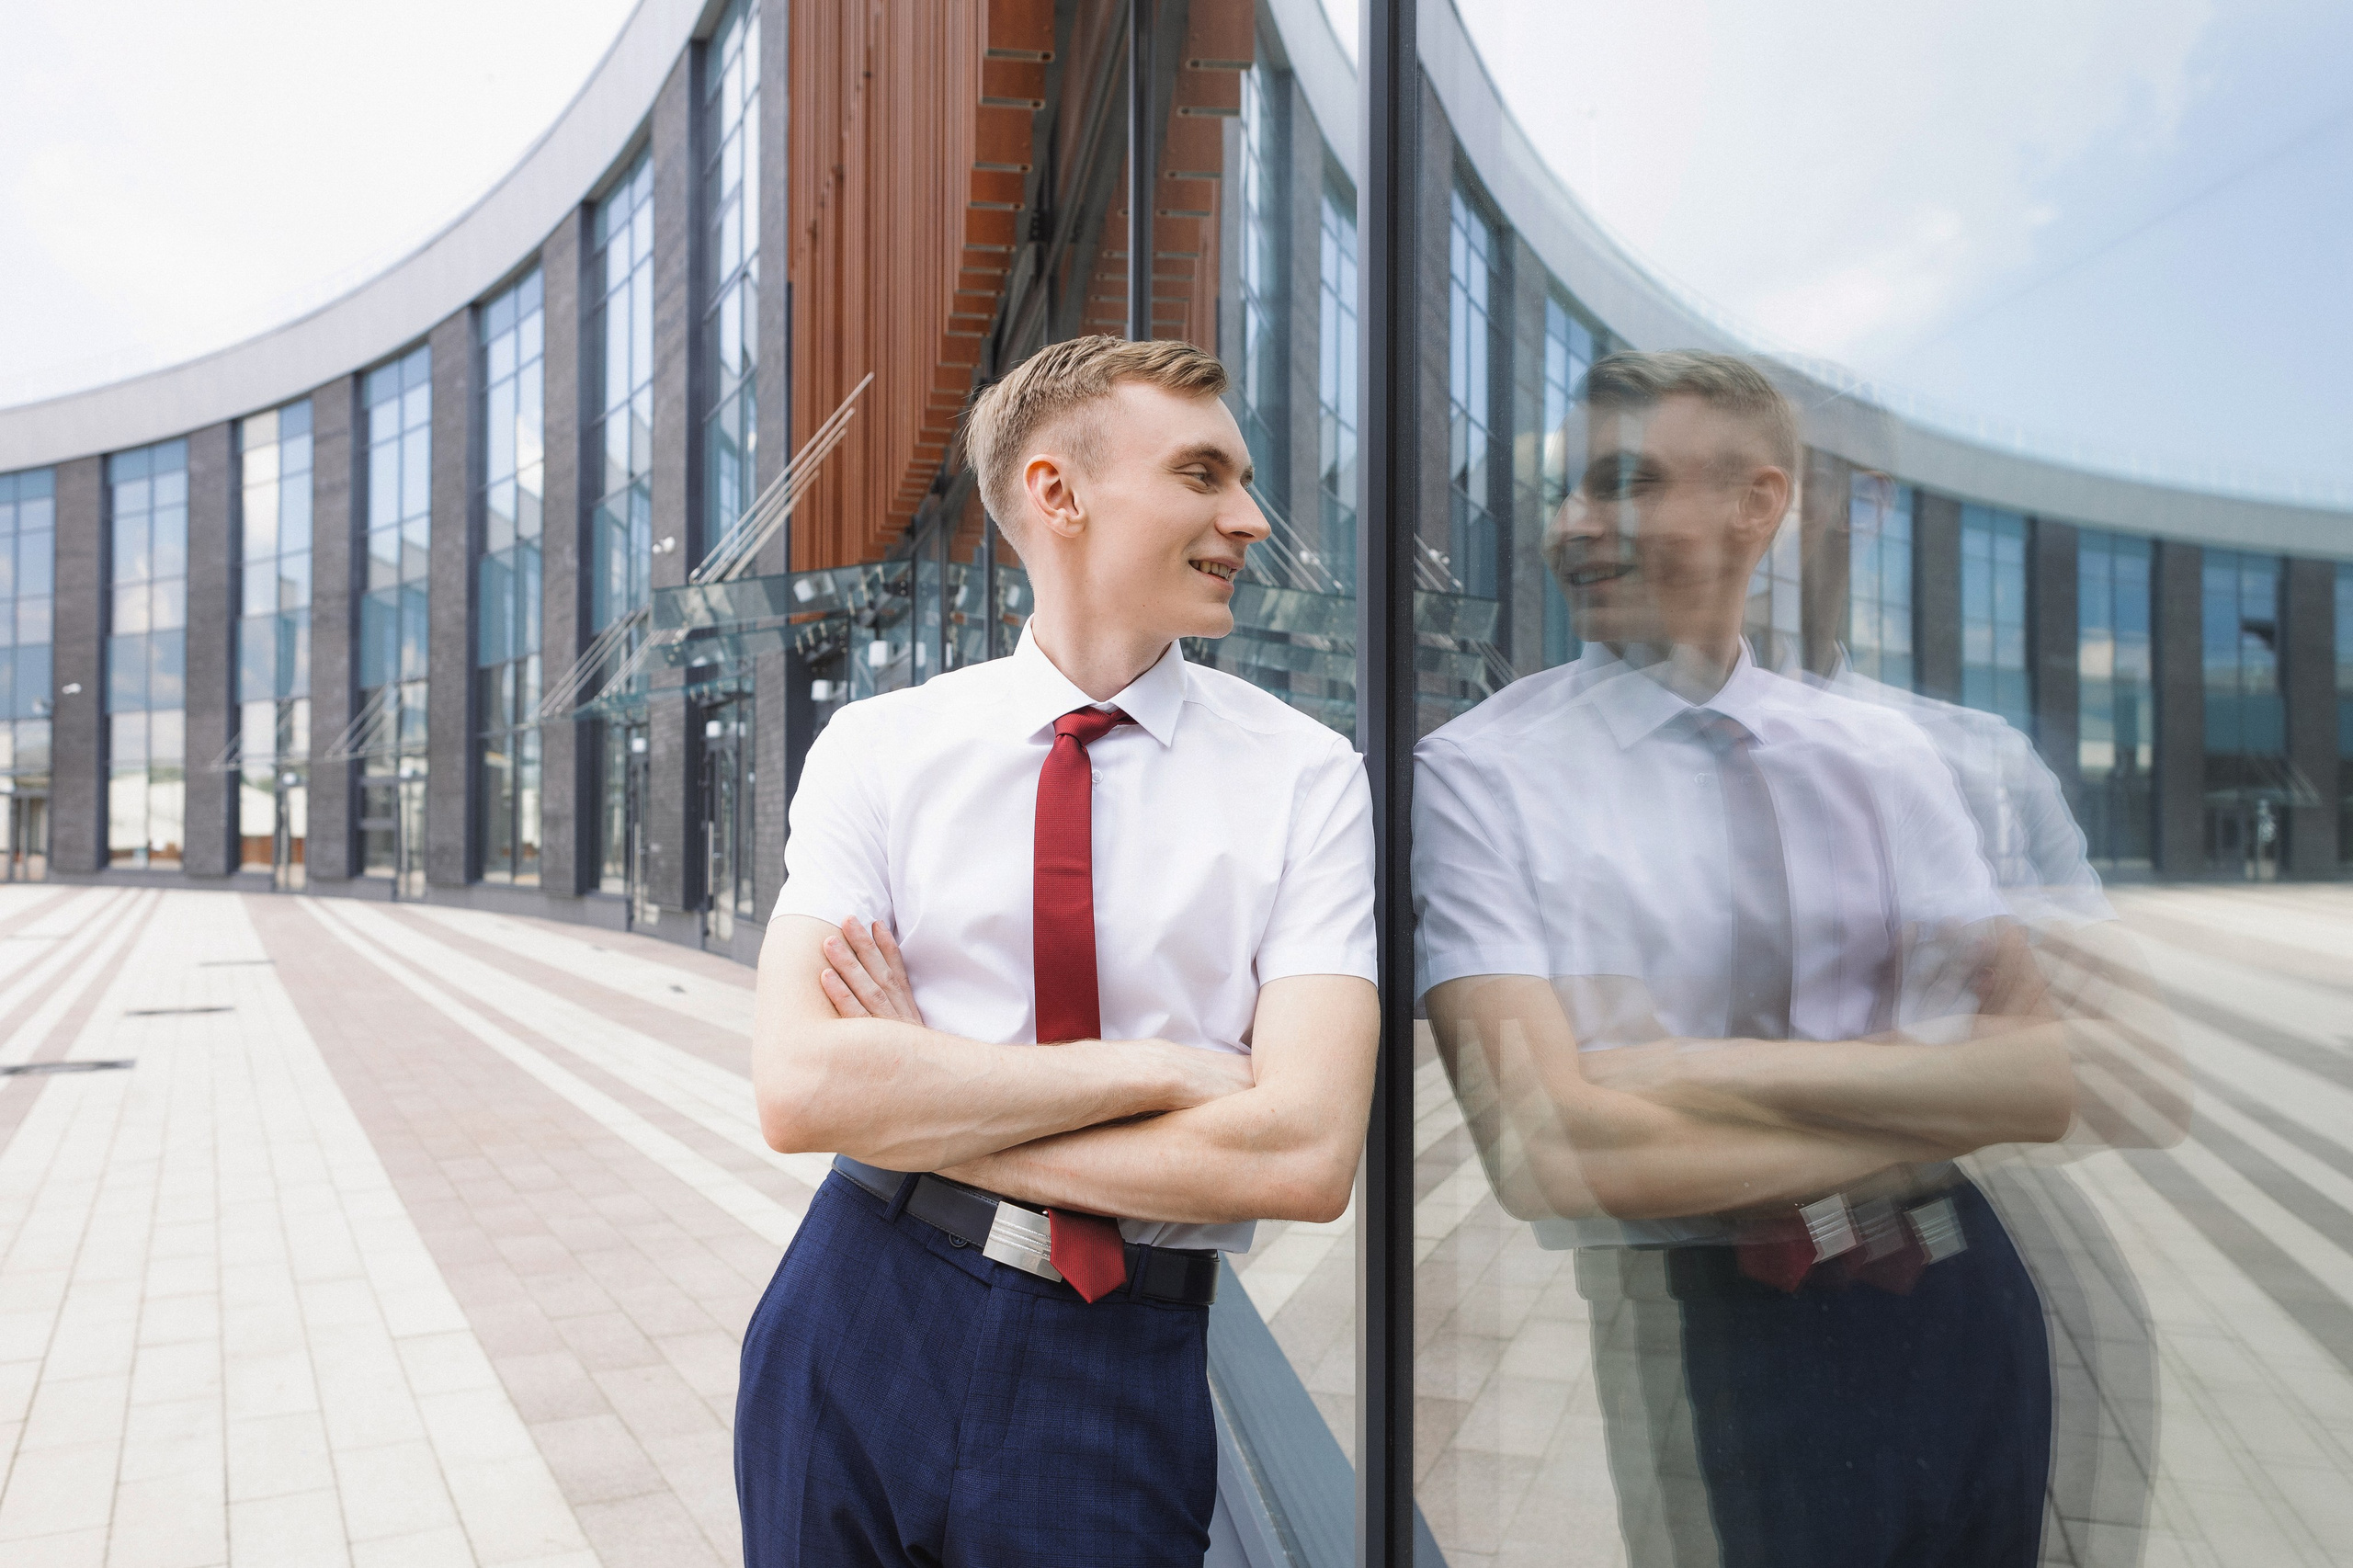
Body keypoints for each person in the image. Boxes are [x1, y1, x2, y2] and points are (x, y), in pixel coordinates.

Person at [1411, 350, 2185, 1567]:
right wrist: (1934, 1102)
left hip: (1965, 1299)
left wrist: (1679, 1070)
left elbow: (2047, 1074)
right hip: (1725, 1315)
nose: (1574, 527)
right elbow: (1552, 1148)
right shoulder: (1481, 773)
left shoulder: (1881, 755)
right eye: (1569, 490)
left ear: (1756, 506)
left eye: (1622, 483)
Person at [737, 335, 1380, 1567]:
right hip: (860, 1304)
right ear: (1058, 492)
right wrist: (1169, 1070)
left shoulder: (1307, 777)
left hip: (1117, 1356)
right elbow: (804, 1088)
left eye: (1241, 479)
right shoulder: (878, 749)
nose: (1248, 517)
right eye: (1203, 474)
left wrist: (932, 1085)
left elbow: (1302, 1151)